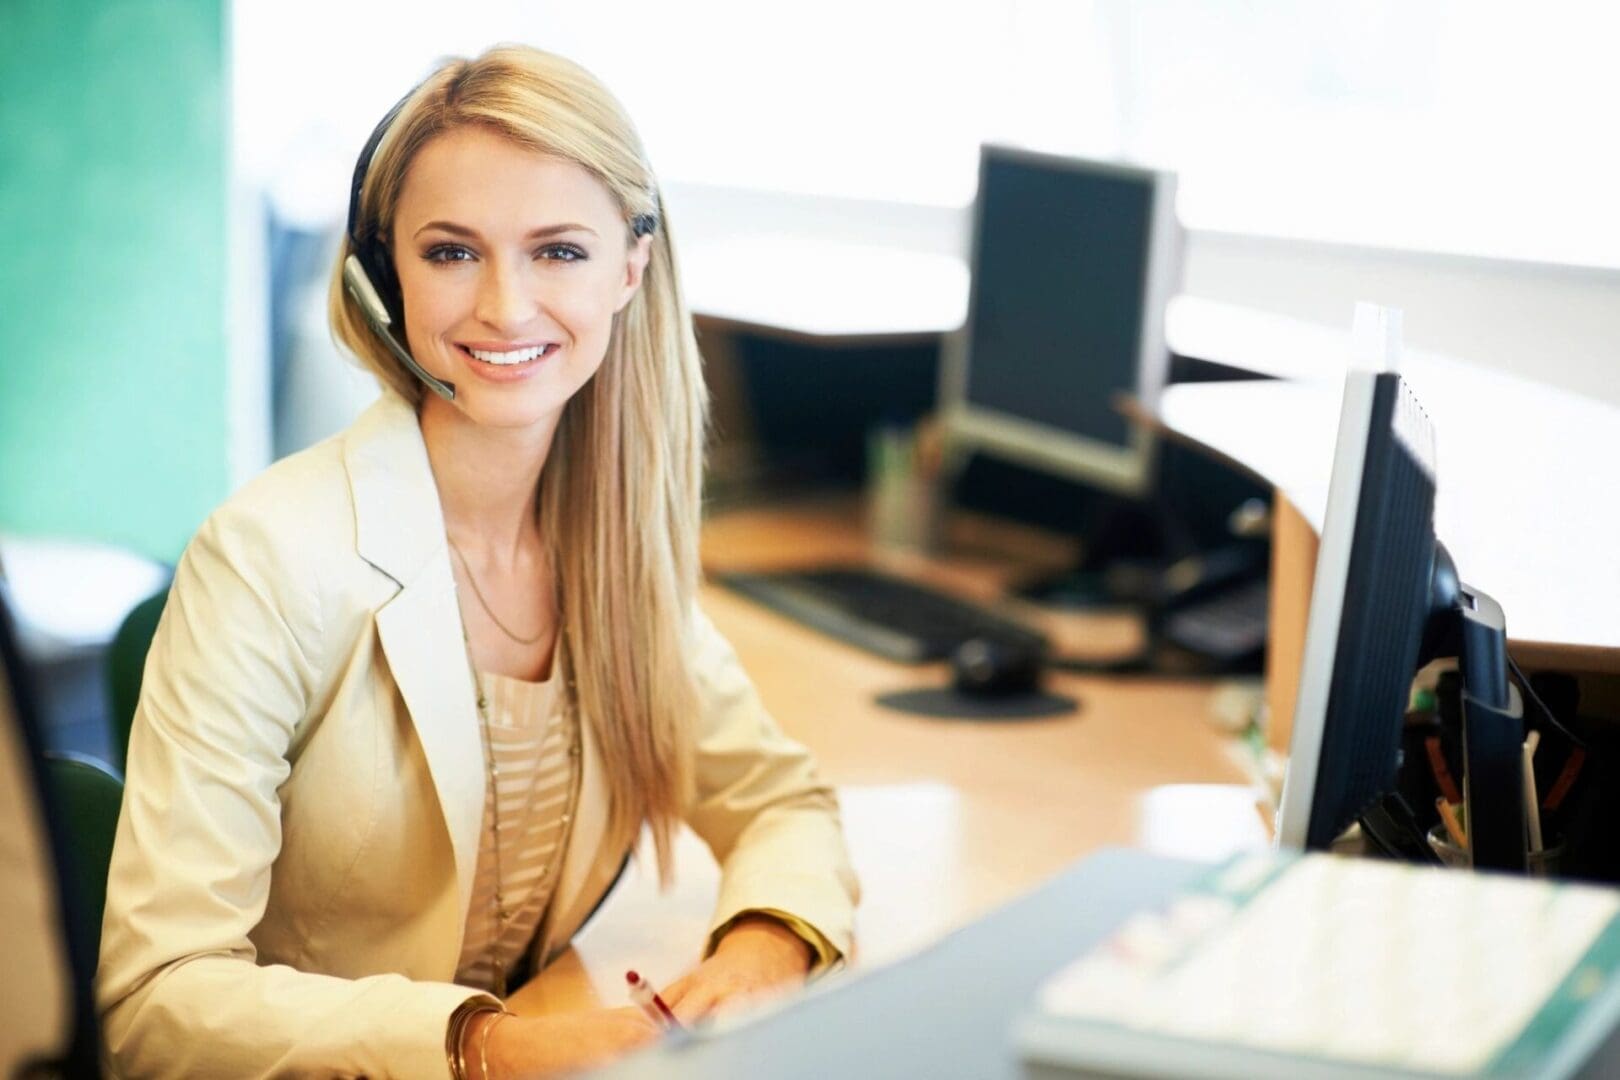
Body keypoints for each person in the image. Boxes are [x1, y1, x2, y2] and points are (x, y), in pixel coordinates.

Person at [96, 44, 859, 1079]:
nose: (504, 306)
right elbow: (157, 999)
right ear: (383, 275)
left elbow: (781, 802)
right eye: (452, 252)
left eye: (559, 251)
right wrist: (485, 1046)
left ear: (631, 267)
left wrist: (764, 948)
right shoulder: (269, 557)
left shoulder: (607, 550)